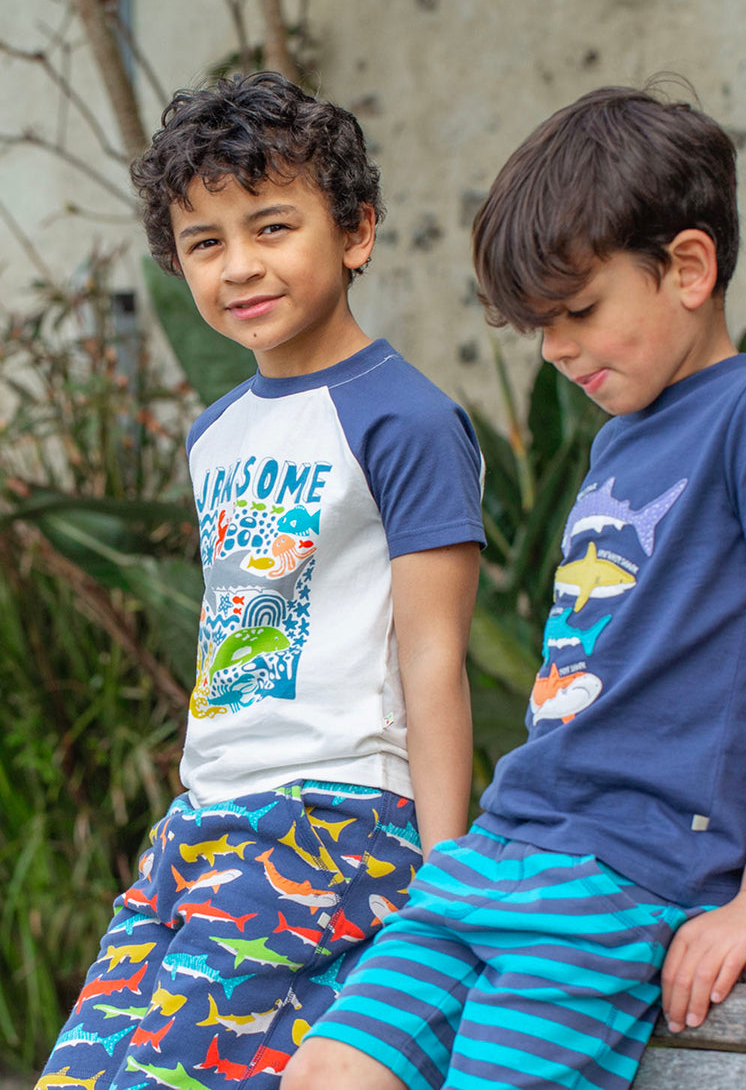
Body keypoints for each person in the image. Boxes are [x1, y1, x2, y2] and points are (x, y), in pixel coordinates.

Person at [282, 83, 746, 1090]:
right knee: (325, 1073)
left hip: (621, 877)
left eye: (578, 312)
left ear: (687, 266)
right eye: (539, 326)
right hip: (499, 849)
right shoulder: (619, 441)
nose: (555, 350)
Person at [37, 71, 484, 1088]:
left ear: (355, 233)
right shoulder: (216, 434)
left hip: (334, 820)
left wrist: (446, 884)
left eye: (272, 227)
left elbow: (435, 655)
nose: (240, 266)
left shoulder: (407, 421)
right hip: (202, 821)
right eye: (206, 242)